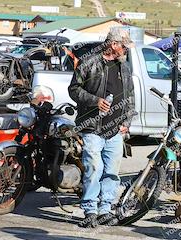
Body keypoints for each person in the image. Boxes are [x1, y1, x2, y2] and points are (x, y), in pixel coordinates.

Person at [68, 28, 135, 228]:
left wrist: (127, 122)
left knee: (112, 173)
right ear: (113, 45)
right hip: (92, 128)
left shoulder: (124, 67)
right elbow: (74, 89)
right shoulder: (90, 62)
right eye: (124, 46)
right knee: (93, 170)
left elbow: (130, 96)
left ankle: (105, 209)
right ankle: (90, 210)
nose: (125, 51)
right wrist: (94, 101)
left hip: (116, 129)